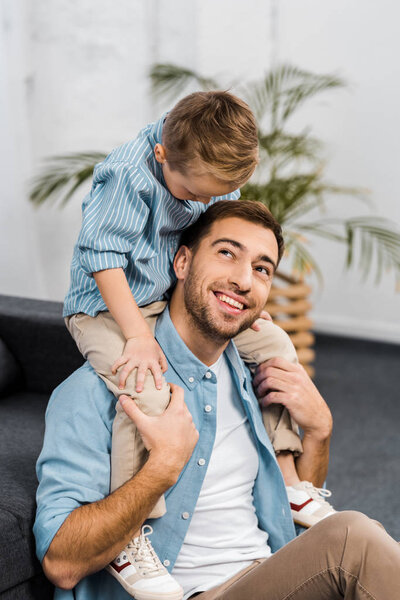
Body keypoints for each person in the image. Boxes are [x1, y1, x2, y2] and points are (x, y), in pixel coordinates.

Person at [35, 201, 400, 600]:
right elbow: (61, 563)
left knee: (370, 546)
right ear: (182, 262)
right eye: (227, 253)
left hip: (267, 575)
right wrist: (162, 466)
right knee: (354, 542)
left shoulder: (253, 376)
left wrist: (318, 431)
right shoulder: (96, 389)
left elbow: (296, 517)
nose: (244, 280)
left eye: (262, 269)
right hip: (189, 593)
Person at [62, 91, 333, 597]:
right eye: (190, 193)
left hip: (159, 294)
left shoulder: (200, 162)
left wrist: (243, 296)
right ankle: (128, 543)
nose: (195, 202)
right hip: (106, 305)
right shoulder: (126, 177)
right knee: (141, 384)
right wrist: (139, 336)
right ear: (163, 153)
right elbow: (102, 258)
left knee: (274, 344)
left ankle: (291, 483)